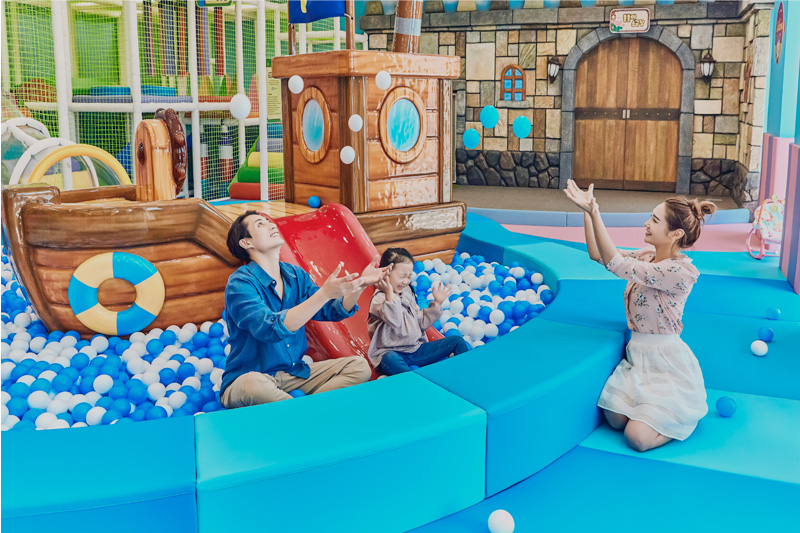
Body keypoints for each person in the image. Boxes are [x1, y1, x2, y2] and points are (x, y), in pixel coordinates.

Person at [564, 180, 716, 452]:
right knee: (615, 419)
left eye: (655, 220)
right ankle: (650, 413)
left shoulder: (679, 272)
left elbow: (617, 264)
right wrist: (587, 212)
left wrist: (596, 212)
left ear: (675, 233)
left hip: (665, 361)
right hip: (637, 356)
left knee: (637, 438)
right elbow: (598, 254)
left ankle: (683, 419)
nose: (647, 223)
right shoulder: (647, 256)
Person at [220, 210, 390, 408]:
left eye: (268, 221)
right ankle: (306, 411)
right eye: (260, 224)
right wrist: (323, 294)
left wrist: (360, 284)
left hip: (293, 374)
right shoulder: (240, 283)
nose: (271, 224)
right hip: (252, 377)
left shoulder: (295, 275)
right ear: (246, 242)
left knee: (359, 367)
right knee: (253, 385)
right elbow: (269, 329)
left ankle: (303, 410)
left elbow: (331, 310)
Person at [367, 248, 470, 375]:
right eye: (402, 276)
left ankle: (466, 373)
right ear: (386, 273)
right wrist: (389, 293)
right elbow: (395, 321)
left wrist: (437, 304)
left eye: (409, 276)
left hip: (416, 350)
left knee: (457, 341)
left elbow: (421, 323)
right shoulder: (379, 299)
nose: (406, 281)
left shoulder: (407, 292)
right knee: (389, 359)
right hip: (393, 353)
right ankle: (415, 382)